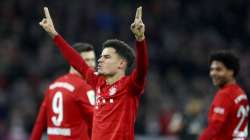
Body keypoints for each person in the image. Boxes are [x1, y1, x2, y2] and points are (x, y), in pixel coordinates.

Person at [39, 6, 148, 140]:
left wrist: (140, 39)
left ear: (121, 64)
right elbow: (77, 61)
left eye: (107, 57)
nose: (100, 60)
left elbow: (142, 69)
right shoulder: (98, 82)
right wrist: (54, 34)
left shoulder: (130, 86)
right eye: (101, 57)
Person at [30, 43, 96, 140]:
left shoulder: (53, 86)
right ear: (73, 61)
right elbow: (95, 122)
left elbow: (40, 123)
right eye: (86, 60)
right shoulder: (83, 87)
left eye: (93, 60)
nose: (92, 64)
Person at [199, 51, 249, 140]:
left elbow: (215, 126)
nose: (213, 73)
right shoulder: (241, 93)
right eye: (212, 69)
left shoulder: (225, 95)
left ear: (231, 72)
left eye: (218, 69)